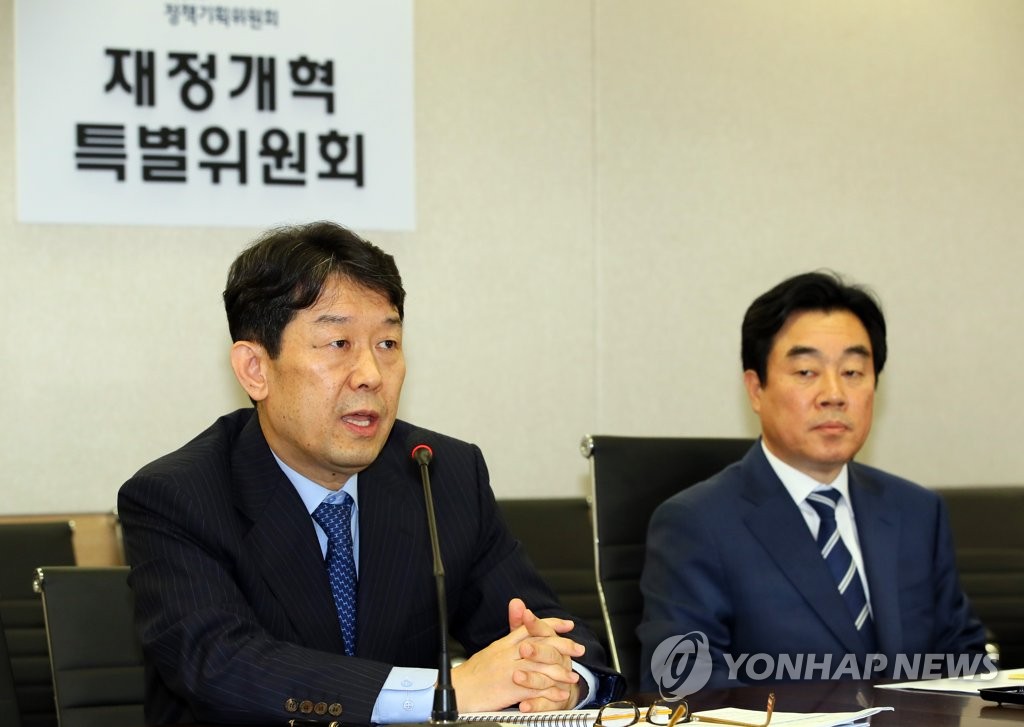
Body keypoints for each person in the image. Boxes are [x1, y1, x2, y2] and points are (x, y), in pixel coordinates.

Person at [118, 221, 623, 725]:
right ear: (255, 369)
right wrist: (442, 692)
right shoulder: (179, 497)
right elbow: (224, 667)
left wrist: (559, 680)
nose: (371, 375)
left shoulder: (439, 473)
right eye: (338, 343)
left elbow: (550, 630)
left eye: (387, 344)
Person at [638, 271, 987, 692]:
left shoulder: (916, 512)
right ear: (756, 389)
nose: (834, 394)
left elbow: (966, 662)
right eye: (806, 371)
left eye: (853, 372)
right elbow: (683, 683)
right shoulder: (696, 524)